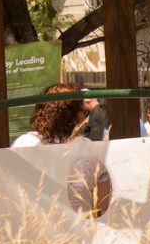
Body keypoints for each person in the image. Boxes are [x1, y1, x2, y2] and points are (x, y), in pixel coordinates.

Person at [12, 83, 109, 217]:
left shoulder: (23, 143)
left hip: (32, 232)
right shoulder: (89, 149)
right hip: (80, 234)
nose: (85, 117)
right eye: (83, 111)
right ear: (75, 115)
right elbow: (102, 206)